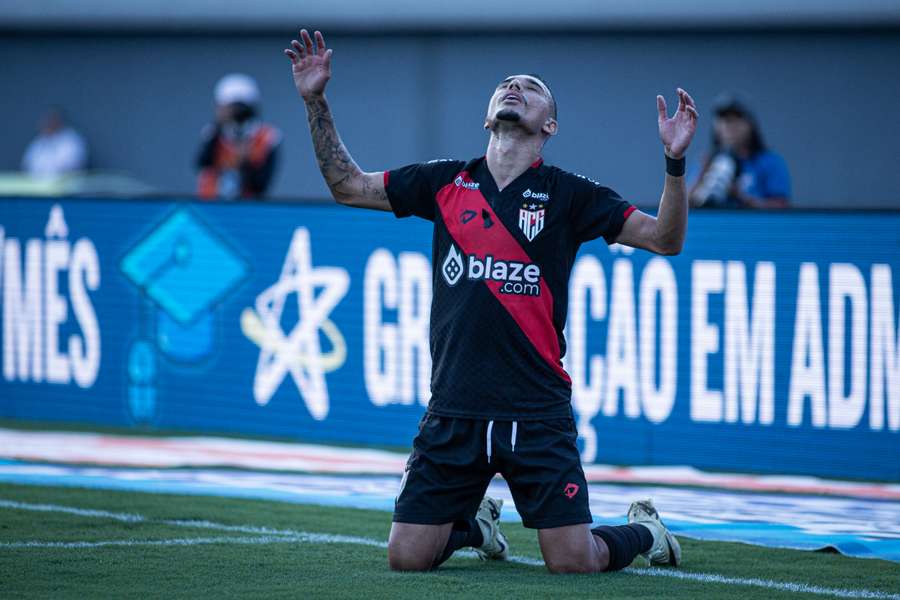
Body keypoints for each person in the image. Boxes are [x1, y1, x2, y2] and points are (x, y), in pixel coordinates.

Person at [284, 30, 696, 574]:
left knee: (572, 561)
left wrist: (673, 162)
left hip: (537, 410)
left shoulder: (571, 195)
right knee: (407, 557)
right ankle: (479, 525)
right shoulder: (443, 182)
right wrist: (315, 100)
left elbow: (665, 239)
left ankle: (646, 530)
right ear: (486, 118)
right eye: (506, 84)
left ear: (549, 125)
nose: (514, 88)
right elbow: (347, 185)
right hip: (454, 408)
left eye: (530, 88)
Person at [689, 95, 791, 208]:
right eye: (723, 120)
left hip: (753, 225)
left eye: (736, 120)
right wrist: (701, 177)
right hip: (714, 224)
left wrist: (741, 196)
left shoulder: (769, 162)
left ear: (750, 125)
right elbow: (685, 205)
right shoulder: (707, 161)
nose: (729, 126)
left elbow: (782, 207)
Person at [196, 73, 282, 200]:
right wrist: (218, 129)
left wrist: (245, 161)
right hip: (209, 204)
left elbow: (261, 184)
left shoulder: (268, 137)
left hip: (246, 208)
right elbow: (202, 164)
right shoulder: (212, 133)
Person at [21, 107, 88, 179]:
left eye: (51, 120)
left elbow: (71, 165)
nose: (47, 124)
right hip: (38, 186)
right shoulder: (39, 141)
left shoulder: (71, 139)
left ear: (58, 121)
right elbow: (27, 164)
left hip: (68, 186)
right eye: (46, 121)